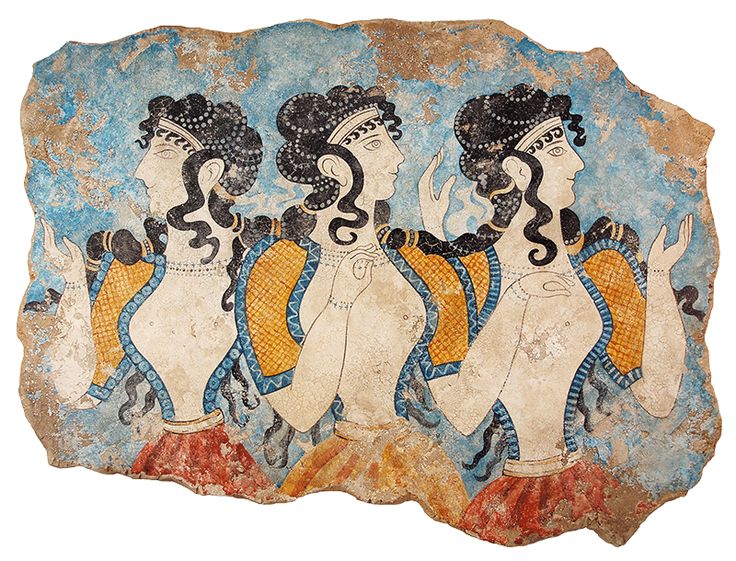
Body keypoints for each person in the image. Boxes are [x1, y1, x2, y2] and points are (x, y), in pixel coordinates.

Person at [408, 83, 696, 544]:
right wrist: (517, 300)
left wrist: (659, 276)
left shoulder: (603, 269)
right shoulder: (466, 278)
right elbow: (462, 413)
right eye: (559, 149)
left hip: (588, 488)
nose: (577, 164)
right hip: (514, 497)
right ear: (519, 170)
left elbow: (659, 397)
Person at [235, 85, 469, 524]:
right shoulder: (277, 267)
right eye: (376, 144)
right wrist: (339, 303)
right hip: (335, 471)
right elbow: (302, 410)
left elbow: (464, 410)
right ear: (333, 167)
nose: (397, 158)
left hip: (418, 463)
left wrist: (437, 236)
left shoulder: (413, 258)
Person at [39, 94, 278, 501]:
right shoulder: (133, 272)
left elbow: (303, 403)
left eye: (163, 152)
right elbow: (72, 391)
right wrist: (75, 281)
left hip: (230, 473)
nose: (142, 170)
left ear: (208, 172)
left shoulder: (258, 268)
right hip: (155, 475)